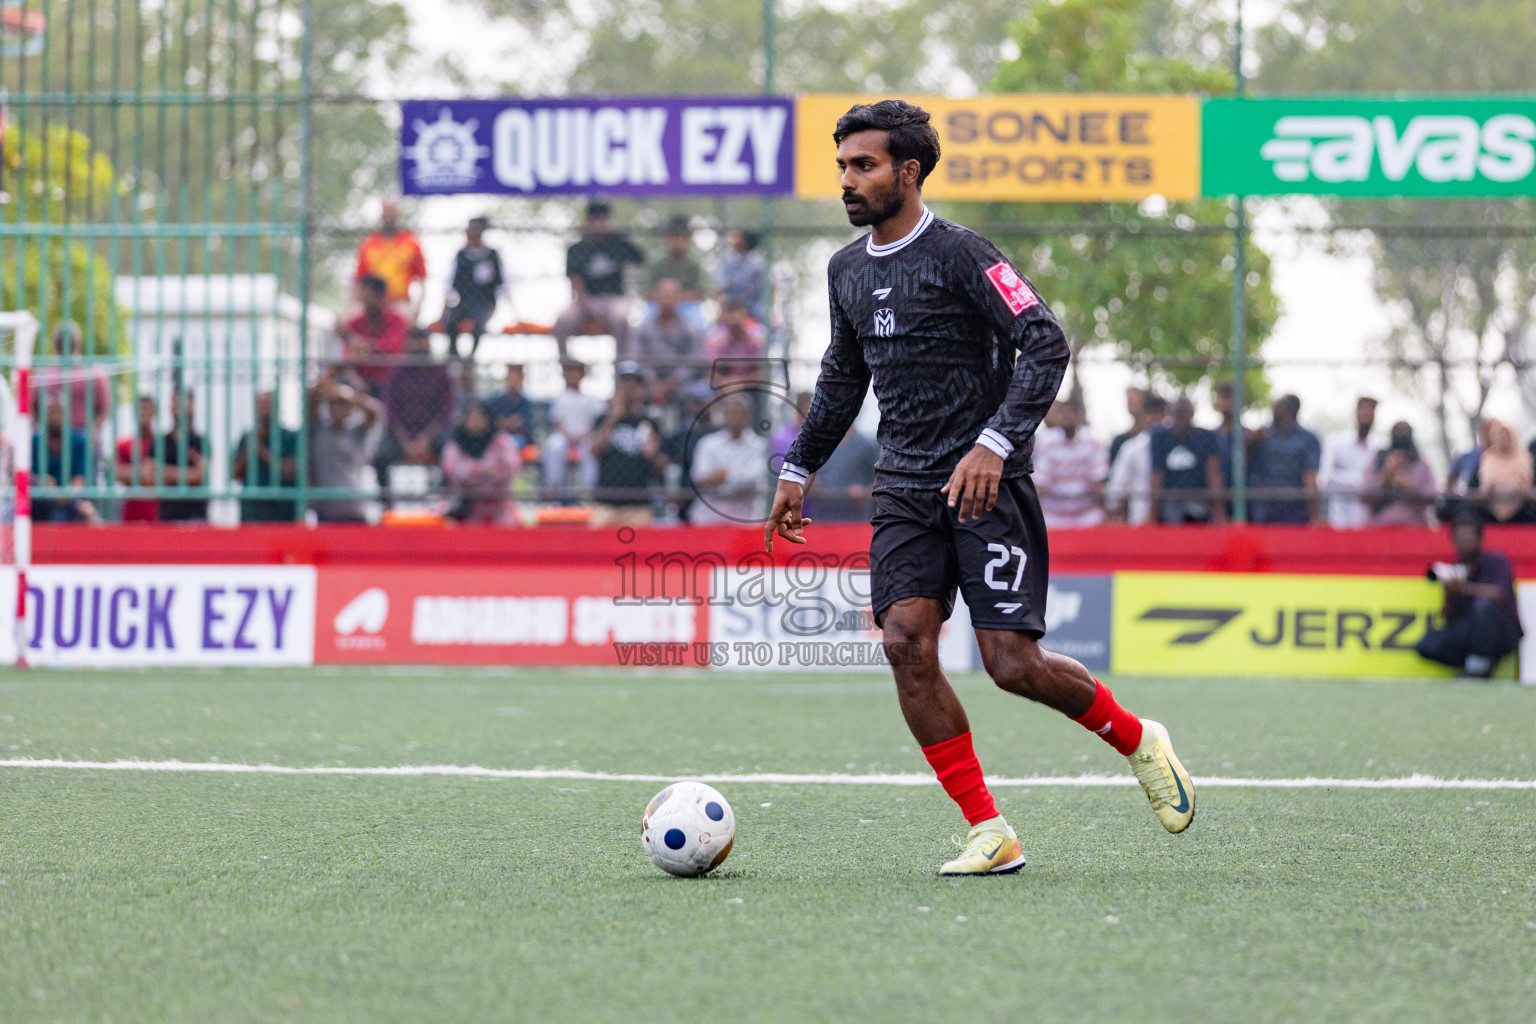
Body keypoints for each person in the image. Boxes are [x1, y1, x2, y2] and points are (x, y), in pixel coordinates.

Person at [766, 99, 1194, 876]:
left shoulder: (964, 255)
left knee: (1011, 664)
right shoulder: (846, 270)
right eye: (842, 167)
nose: (847, 181)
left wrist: (995, 443)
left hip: (984, 486)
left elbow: (1045, 342)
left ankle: (1139, 739)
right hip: (902, 486)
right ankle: (989, 829)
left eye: (863, 166)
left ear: (908, 170)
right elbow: (842, 376)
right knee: (904, 643)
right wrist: (798, 468)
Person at [1416, 514, 1522, 678]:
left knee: (1483, 607)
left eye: (1468, 536)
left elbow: (1497, 594)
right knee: (1426, 644)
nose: (1464, 542)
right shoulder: (1454, 570)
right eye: (1460, 537)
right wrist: (1449, 593)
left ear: (1480, 538)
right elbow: (1448, 617)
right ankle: (1475, 664)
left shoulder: (1496, 561)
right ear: (1453, 540)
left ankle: (1480, 667)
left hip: (1502, 631)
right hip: (1470, 631)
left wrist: (1463, 588)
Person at [552, 200, 645, 360]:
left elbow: (640, 259)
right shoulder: (577, 249)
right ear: (588, 222)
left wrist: (624, 235)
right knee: (562, 322)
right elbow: (576, 284)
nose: (599, 224)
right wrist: (590, 308)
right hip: (585, 300)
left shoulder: (617, 243)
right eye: (595, 220)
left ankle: (621, 370)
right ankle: (568, 368)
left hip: (614, 299)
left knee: (621, 318)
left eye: (603, 219)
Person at [372, 327, 455, 504]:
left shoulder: (440, 372)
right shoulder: (396, 372)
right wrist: (405, 441)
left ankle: (444, 503)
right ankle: (386, 504)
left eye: (421, 340)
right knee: (380, 457)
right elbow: (390, 410)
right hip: (401, 434)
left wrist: (426, 439)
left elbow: (445, 412)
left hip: (433, 434)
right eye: (414, 340)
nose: (418, 345)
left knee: (451, 454)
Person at [590, 363, 668, 527]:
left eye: (634, 383)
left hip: (639, 504)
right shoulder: (602, 419)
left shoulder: (650, 423)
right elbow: (594, 451)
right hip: (606, 503)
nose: (629, 388)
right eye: (624, 383)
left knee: (637, 552)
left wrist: (652, 452)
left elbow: (662, 466)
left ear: (642, 389)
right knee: (599, 551)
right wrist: (613, 417)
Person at [116, 394, 205, 523]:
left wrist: (161, 473)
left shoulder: (159, 442)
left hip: (157, 515)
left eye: (147, 409)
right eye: (140, 409)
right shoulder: (125, 445)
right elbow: (118, 473)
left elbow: (199, 475)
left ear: (154, 412)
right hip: (134, 514)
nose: (143, 413)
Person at [308, 372, 383, 523]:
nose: (338, 408)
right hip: (326, 509)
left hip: (355, 508)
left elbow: (376, 411)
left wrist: (349, 395)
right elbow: (311, 399)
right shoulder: (318, 431)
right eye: (334, 403)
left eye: (343, 404)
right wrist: (332, 389)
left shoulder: (357, 433)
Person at [688, 393, 770, 525]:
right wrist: (734, 476)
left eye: (739, 413)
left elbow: (753, 478)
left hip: (744, 518)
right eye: (731, 413)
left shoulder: (759, 446)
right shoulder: (708, 443)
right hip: (708, 517)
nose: (734, 417)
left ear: (748, 416)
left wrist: (724, 476)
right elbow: (699, 477)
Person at [441, 399, 521, 525]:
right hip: (466, 509)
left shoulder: (501, 440)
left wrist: (474, 474)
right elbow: (452, 470)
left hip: (499, 509)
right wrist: (483, 470)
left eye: (479, 415)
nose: (475, 420)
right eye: (471, 416)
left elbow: (510, 467)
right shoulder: (456, 442)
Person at [1031, 399, 1107, 529]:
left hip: (1087, 516)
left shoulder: (1093, 441)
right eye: (1063, 413)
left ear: (1079, 416)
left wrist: (1107, 514)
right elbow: (1040, 484)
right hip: (1052, 516)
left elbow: (1098, 484)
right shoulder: (1046, 442)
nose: (1067, 417)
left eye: (1071, 413)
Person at [440, 216, 508, 362]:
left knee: (479, 322)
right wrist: (444, 308)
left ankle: (471, 358)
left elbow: (502, 285)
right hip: (464, 300)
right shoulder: (461, 255)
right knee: (450, 322)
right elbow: (449, 284)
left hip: (485, 302)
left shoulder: (492, 255)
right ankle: (455, 357)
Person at [1149, 395, 1226, 524]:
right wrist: (1152, 514)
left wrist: (1219, 513)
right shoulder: (1160, 438)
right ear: (1170, 414)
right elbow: (1157, 476)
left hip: (1199, 502)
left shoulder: (1206, 437)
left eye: (1185, 412)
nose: (1181, 417)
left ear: (1192, 414)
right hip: (1170, 504)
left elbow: (1213, 474)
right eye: (1178, 413)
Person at [1247, 394, 1321, 525]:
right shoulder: (1262, 435)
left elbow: (1310, 476)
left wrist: (1315, 514)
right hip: (1264, 509)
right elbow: (1243, 460)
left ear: (1292, 410)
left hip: (1296, 510)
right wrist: (1251, 441)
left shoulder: (1307, 438)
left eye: (1281, 406)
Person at [231, 391, 299, 522]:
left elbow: (290, 471)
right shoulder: (248, 438)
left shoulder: (290, 436)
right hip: (252, 511)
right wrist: (250, 448)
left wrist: (261, 450)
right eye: (261, 405)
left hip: (283, 511)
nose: (264, 409)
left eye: (268, 404)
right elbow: (234, 474)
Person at [354, 198, 426, 320]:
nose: (388, 217)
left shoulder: (411, 242)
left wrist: (418, 307)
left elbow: (421, 278)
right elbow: (359, 279)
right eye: (386, 213)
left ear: (398, 215)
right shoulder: (369, 243)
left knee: (404, 320)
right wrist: (355, 303)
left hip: (399, 301)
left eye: (392, 213)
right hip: (372, 303)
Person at [40, 321, 111, 439]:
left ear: (79, 344)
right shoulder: (44, 373)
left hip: (84, 436)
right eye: (61, 344)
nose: (65, 348)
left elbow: (104, 407)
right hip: (50, 440)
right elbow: (32, 407)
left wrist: (94, 430)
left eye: (70, 343)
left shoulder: (94, 373)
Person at [542, 360, 604, 496]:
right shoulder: (560, 398)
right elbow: (557, 422)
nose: (572, 375)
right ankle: (554, 489)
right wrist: (568, 436)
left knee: (591, 450)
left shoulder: (591, 399)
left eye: (576, 371)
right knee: (554, 446)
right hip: (564, 436)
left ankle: (590, 491)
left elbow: (597, 423)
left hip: (585, 436)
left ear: (582, 375)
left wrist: (583, 435)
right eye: (569, 372)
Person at [626, 277, 703, 386]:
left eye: (671, 296)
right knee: (626, 389)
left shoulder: (690, 329)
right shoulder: (643, 328)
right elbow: (636, 356)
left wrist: (672, 382)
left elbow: (693, 362)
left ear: (679, 298)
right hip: (647, 382)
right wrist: (651, 379)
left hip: (680, 384)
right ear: (656, 298)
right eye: (663, 296)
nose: (667, 301)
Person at [1319, 396, 1381, 529]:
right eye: (1363, 409)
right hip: (1337, 517)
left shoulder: (1380, 447)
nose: (1366, 414)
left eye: (1370, 410)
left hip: (1368, 522)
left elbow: (1378, 486)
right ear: (1355, 412)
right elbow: (1326, 478)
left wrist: (1342, 475)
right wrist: (1365, 482)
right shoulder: (1335, 442)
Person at [33, 399, 100, 523]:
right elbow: (25, 477)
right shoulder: (33, 441)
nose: (55, 417)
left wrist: (63, 494)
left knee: (88, 513)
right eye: (50, 412)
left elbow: (80, 480)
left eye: (59, 412)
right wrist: (39, 481)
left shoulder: (80, 441)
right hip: (40, 502)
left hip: (73, 502)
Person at [1105, 393, 1166, 525]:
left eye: (1159, 413)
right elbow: (1116, 490)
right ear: (1142, 415)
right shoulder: (1131, 448)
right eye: (1150, 413)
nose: (1155, 418)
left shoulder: (1175, 444)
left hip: (1174, 522)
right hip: (1140, 521)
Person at [341, 275, 410, 391]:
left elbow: (392, 347)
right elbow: (348, 355)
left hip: (389, 380)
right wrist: (355, 380)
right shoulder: (356, 322)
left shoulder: (397, 320)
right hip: (360, 380)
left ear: (380, 296)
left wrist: (359, 343)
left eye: (367, 293)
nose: (363, 297)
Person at [804, 424, 879, 523]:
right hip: (822, 517)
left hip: (853, 518)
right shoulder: (818, 443)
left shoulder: (866, 446)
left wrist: (863, 491)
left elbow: (879, 479)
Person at [1368, 421, 1437, 526]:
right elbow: (1365, 492)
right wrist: (1387, 474)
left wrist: (1407, 484)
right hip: (1380, 525)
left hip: (1414, 527)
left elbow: (1432, 495)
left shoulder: (1421, 464)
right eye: (1397, 433)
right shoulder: (1379, 459)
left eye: (1404, 433)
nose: (1400, 437)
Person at [158, 391, 209, 522]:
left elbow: (199, 476)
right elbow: (150, 475)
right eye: (175, 403)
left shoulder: (201, 441)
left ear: (192, 405)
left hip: (196, 516)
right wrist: (187, 476)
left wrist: (166, 473)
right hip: (167, 517)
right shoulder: (161, 442)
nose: (178, 407)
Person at [646, 215, 705, 324]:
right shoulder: (656, 262)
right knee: (645, 321)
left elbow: (698, 294)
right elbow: (649, 294)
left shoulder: (694, 265)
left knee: (699, 323)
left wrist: (673, 297)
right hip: (659, 306)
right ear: (667, 237)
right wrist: (666, 299)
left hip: (686, 306)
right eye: (674, 235)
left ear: (688, 238)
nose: (678, 240)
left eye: (683, 236)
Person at [1475, 419, 1534, 524]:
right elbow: (1486, 484)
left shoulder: (1523, 457)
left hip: (1520, 506)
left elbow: (1524, 484)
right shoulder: (1488, 457)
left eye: (1506, 437)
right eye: (1500, 436)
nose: (1503, 440)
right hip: (1491, 506)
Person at [715, 229, 767, 321]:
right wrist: (722, 311)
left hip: (754, 307)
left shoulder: (757, 262)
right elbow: (721, 288)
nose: (733, 240)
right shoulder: (728, 260)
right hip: (732, 307)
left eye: (737, 237)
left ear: (745, 241)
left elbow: (771, 287)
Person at [484, 364, 534, 445]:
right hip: (498, 438)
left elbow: (523, 424)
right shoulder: (496, 401)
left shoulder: (525, 403)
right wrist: (510, 422)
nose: (512, 382)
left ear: (520, 380)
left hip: (520, 439)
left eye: (515, 379)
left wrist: (506, 423)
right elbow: (494, 422)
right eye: (510, 379)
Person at [1107, 386, 1147, 468]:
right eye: (1129, 400)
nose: (1132, 402)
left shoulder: (1154, 438)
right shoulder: (1119, 441)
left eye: (1136, 399)